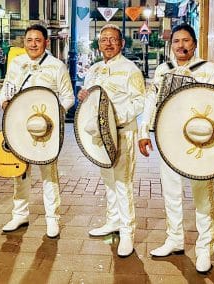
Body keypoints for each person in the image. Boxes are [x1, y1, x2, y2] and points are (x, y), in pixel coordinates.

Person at [138, 23, 214, 273]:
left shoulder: (209, 70)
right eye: (176, 41)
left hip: (200, 141)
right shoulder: (163, 70)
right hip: (169, 138)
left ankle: (204, 249)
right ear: (171, 44)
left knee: (202, 194)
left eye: (186, 41)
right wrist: (145, 132)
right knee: (171, 192)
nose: (181, 46)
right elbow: (151, 101)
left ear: (194, 44)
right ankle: (174, 239)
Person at [0, 24, 74, 238]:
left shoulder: (56, 66)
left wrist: (55, 111)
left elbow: (68, 97)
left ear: (46, 42)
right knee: (19, 171)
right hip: (19, 126)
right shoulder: (16, 63)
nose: (33, 44)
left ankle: (52, 219)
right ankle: (19, 214)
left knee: (49, 174)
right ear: (24, 42)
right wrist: (4, 101)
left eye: (37, 40)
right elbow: (6, 88)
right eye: (29, 40)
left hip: (47, 130)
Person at [78, 24, 145, 257]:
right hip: (99, 135)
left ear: (121, 43)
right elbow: (89, 99)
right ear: (99, 44)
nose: (108, 43)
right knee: (107, 179)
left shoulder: (131, 69)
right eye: (104, 39)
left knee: (123, 183)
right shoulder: (93, 70)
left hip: (123, 132)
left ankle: (128, 233)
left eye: (113, 39)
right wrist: (83, 97)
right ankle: (113, 221)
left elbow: (139, 102)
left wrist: (115, 119)